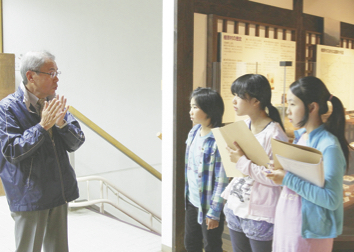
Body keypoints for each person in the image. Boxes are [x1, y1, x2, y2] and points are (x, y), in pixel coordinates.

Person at [0, 51, 85, 252]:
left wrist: (62, 124)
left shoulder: (53, 102)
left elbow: (76, 142)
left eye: (57, 72)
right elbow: (11, 150)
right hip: (29, 195)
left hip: (58, 191)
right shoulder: (7, 109)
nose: (56, 79)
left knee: (58, 249)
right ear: (31, 76)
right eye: (51, 72)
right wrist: (42, 127)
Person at [266, 76, 348, 252]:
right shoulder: (302, 136)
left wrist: (287, 179)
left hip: (310, 234)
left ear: (312, 107)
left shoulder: (329, 146)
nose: (288, 111)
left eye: (293, 104)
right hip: (287, 226)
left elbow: (331, 199)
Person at [221, 74, 288, 252]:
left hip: (260, 216)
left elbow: (276, 178)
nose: (234, 101)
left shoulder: (274, 133)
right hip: (235, 207)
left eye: (239, 96)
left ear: (256, 101)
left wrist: (242, 162)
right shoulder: (244, 125)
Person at [184, 87, 228, 252]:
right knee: (191, 244)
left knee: (212, 247)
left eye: (195, 107)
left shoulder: (219, 139)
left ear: (209, 110)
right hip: (192, 201)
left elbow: (221, 180)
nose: (191, 111)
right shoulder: (194, 131)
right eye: (191, 106)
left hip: (209, 205)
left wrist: (214, 212)